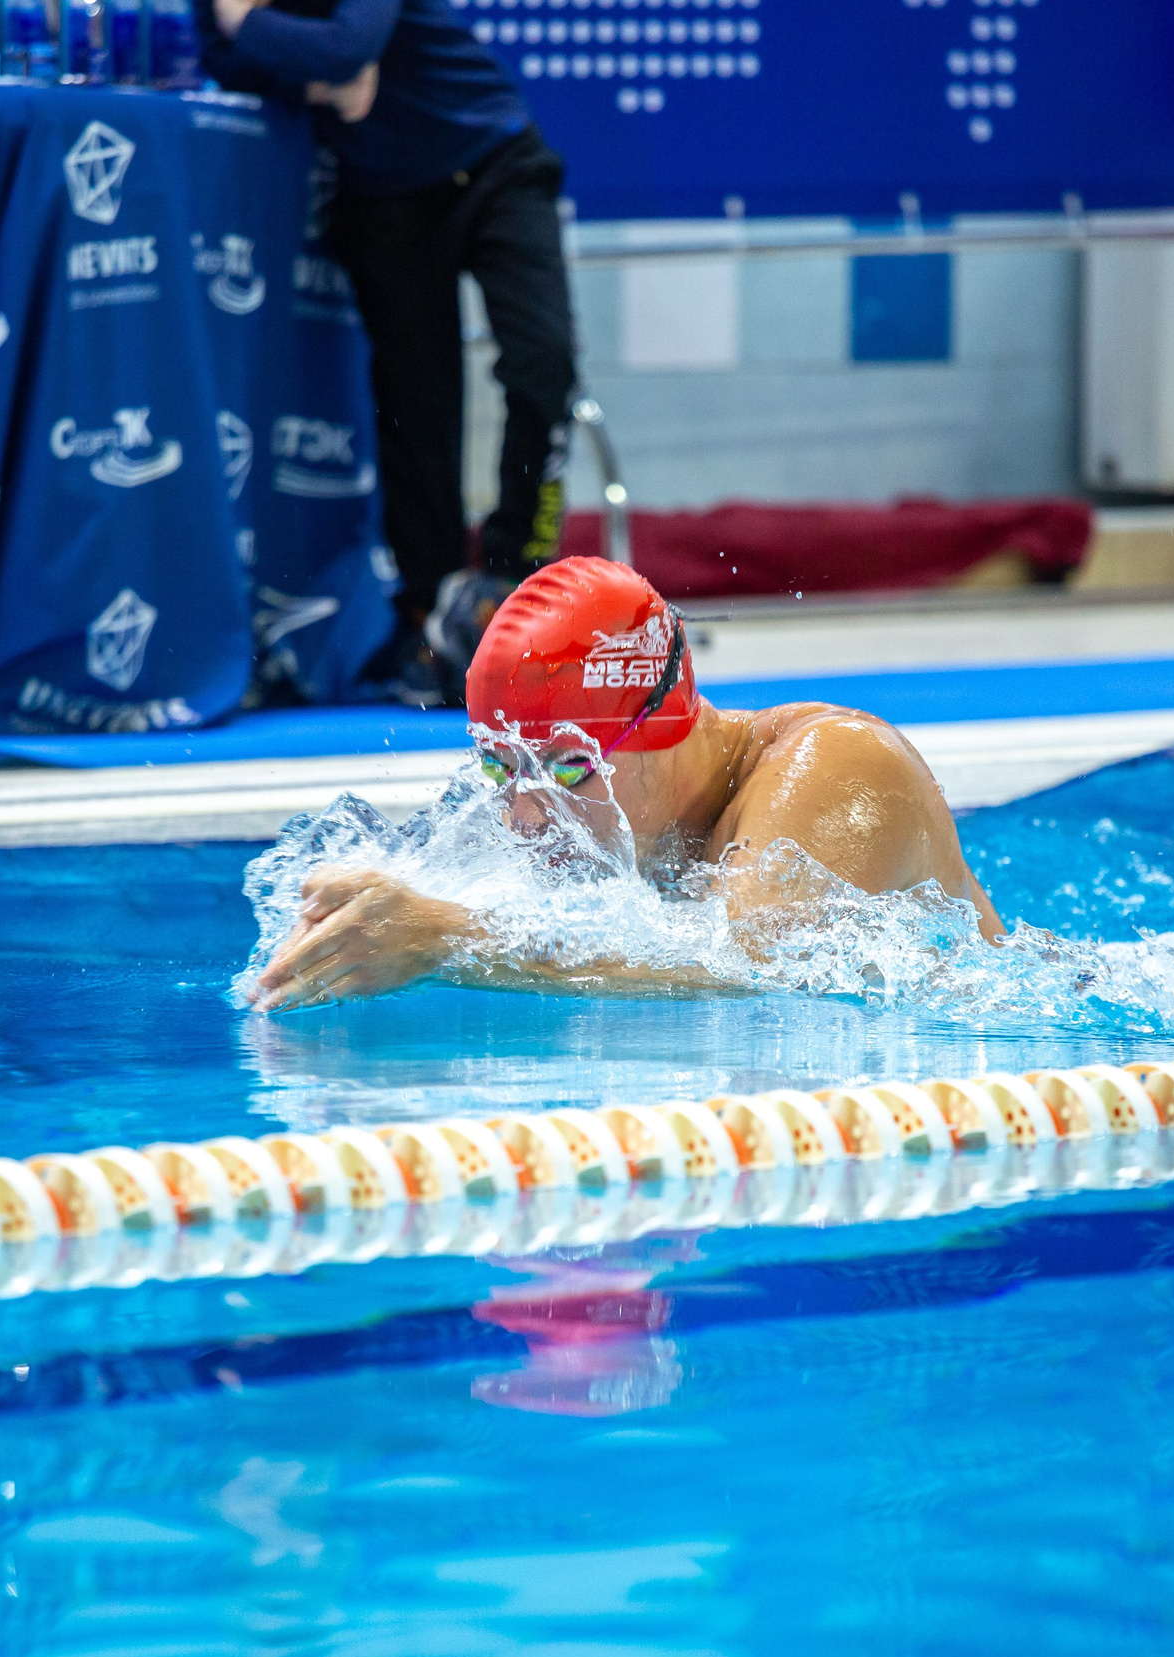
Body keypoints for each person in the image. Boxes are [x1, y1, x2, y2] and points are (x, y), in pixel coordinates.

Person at [247, 557, 1005, 1011]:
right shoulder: (613, 820)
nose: (525, 817)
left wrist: (446, 937)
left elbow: (755, 976)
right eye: (502, 768)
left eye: (568, 768)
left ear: (665, 724)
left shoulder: (840, 766)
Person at [200, 0, 578, 705]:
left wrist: (247, 22)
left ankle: (514, 576)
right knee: (417, 411)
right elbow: (216, 63)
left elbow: (346, 45)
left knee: (543, 364)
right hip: (386, 201)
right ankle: (431, 613)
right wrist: (312, 81)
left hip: (493, 161)